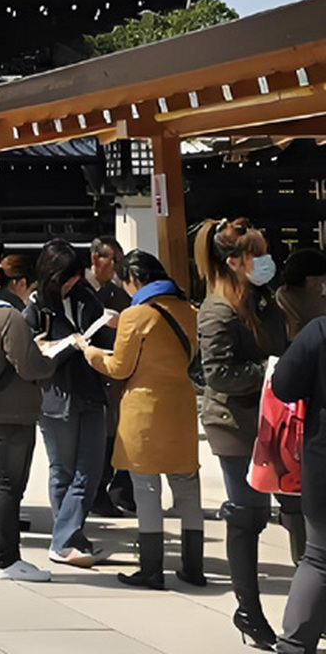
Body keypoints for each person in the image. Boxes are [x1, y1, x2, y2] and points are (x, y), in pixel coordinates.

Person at [79, 250, 206, 591]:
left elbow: (119, 367)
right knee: (187, 488)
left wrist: (88, 351)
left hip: (145, 411)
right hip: (180, 406)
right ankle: (194, 567)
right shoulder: (189, 310)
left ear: (133, 279)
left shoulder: (136, 314)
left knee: (147, 489)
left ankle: (152, 569)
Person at [194, 218, 287, 648]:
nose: (267, 261)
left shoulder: (262, 298)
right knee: (246, 514)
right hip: (233, 422)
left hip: (268, 418)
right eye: (258, 255)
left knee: (286, 510)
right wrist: (268, 371)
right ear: (234, 262)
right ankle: (248, 609)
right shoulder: (217, 309)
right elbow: (219, 374)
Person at [0, 254, 55, 582]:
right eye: (29, 286)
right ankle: (7, 559)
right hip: (13, 410)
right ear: (18, 283)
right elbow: (28, 366)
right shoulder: (11, 316)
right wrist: (51, 357)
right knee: (9, 485)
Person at [21, 239, 108, 569]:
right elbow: (31, 353)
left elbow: (100, 339)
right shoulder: (35, 308)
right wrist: (64, 343)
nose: (73, 283)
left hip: (91, 389)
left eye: (76, 276)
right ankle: (66, 539)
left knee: (91, 469)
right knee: (63, 471)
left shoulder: (87, 297)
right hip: (56, 394)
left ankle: (67, 535)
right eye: (67, 278)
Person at [270, 302, 326, 654]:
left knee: (319, 556)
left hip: (323, 459)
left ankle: (294, 644)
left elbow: (284, 386)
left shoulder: (320, 330)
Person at [87, 233, 135, 519]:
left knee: (120, 434)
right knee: (103, 438)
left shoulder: (120, 294)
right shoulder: (86, 290)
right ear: (96, 259)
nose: (117, 266)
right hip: (95, 369)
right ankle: (99, 492)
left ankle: (122, 492)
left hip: (118, 372)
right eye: (112, 260)